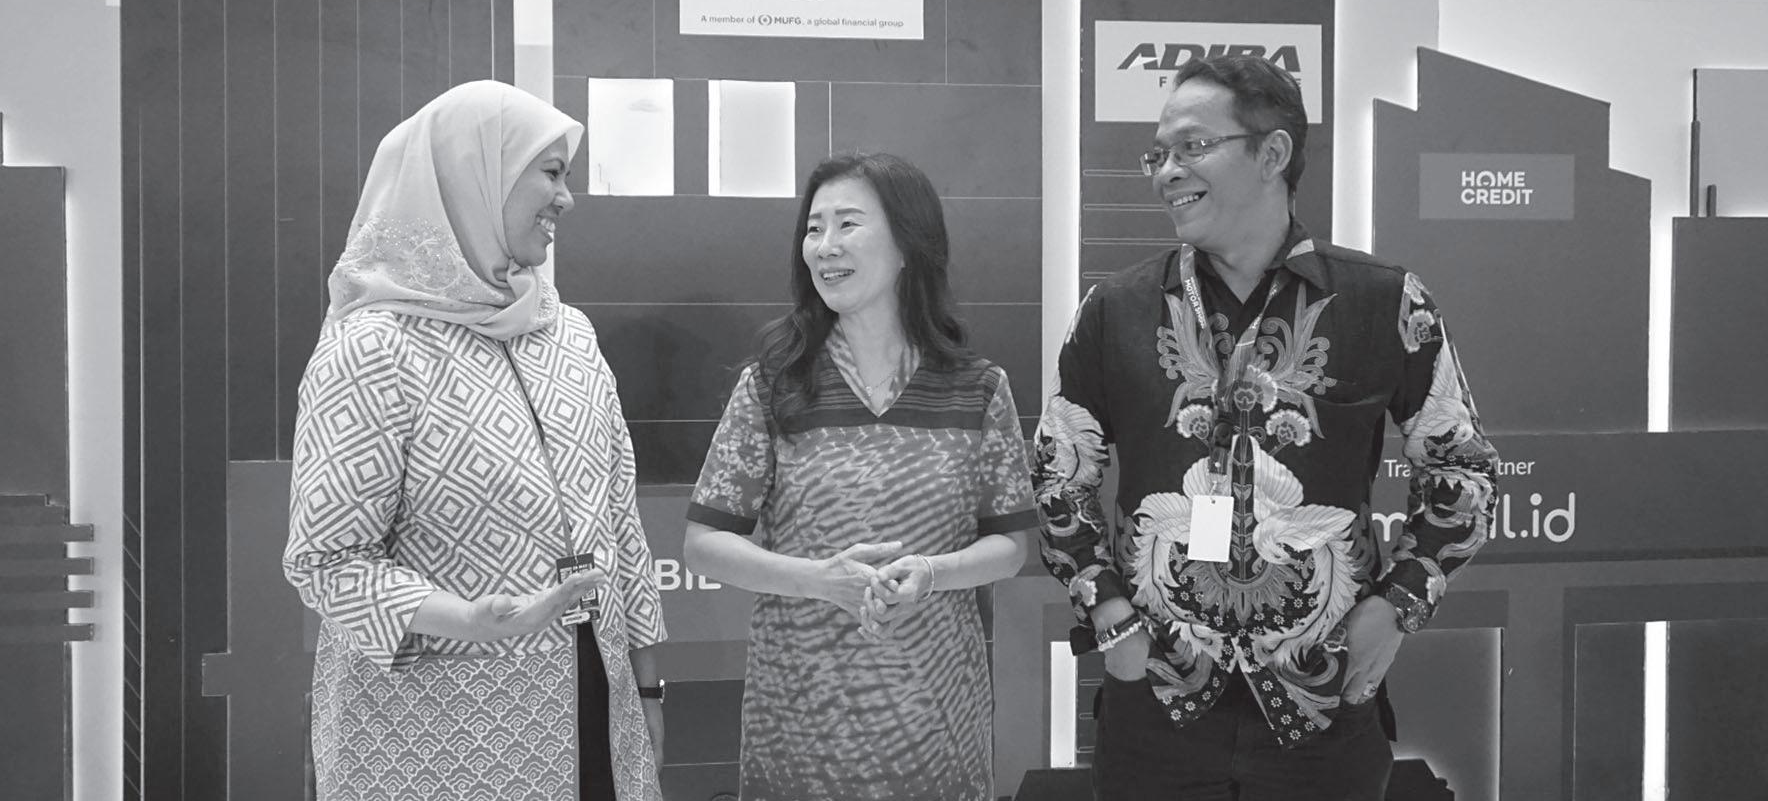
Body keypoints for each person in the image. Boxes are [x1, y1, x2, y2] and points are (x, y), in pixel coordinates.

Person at [1034, 55, 1500, 800]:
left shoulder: (1385, 302)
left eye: (1192, 146)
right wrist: (1111, 614)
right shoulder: (1114, 310)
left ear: (1272, 153)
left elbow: (1462, 469)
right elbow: (1058, 476)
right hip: (1156, 700)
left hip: (1325, 701)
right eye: (1159, 153)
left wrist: (1396, 607)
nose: (1166, 172)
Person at [283, 80, 666, 801]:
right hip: (431, 737)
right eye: (550, 172)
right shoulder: (373, 347)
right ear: (475, 175)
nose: (566, 198)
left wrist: (648, 690)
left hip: (597, 709)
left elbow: (622, 524)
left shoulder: (568, 333)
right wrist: (466, 618)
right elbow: (326, 563)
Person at [682, 151, 1036, 801]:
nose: (825, 246)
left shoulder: (978, 388)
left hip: (937, 724)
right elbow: (705, 543)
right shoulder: (773, 384)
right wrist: (821, 579)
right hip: (800, 726)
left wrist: (932, 571)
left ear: (908, 244)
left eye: (848, 224)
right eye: (814, 228)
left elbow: (1011, 545)